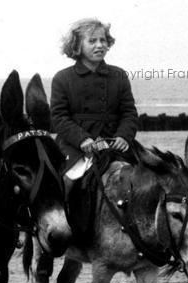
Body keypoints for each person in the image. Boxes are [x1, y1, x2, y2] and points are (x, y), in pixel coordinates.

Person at [50, 18, 138, 185]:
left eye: (103, 40)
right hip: (75, 147)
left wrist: (124, 136)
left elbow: (129, 113)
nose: (100, 45)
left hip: (115, 144)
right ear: (77, 46)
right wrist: (82, 139)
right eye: (92, 41)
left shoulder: (119, 75)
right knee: (67, 184)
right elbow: (59, 117)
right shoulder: (62, 78)